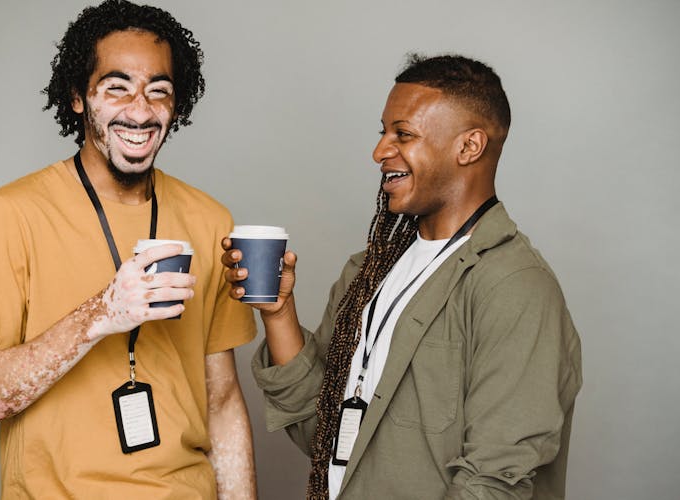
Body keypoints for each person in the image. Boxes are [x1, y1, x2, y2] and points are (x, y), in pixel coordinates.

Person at [222, 54, 582, 499]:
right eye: (383, 131)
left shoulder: (514, 286)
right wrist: (278, 315)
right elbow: (323, 435)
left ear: (469, 147)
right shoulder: (367, 270)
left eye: (403, 134)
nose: (379, 152)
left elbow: (493, 483)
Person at [0, 1, 257, 498]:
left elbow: (223, 402)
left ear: (178, 103)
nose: (140, 110)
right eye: (117, 88)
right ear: (78, 98)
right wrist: (101, 314)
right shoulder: (11, 214)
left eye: (159, 91)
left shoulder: (210, 218)